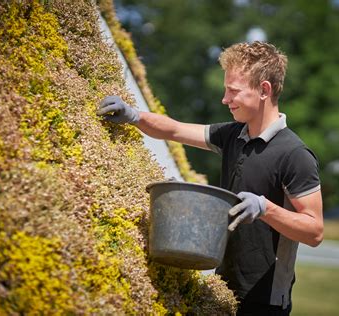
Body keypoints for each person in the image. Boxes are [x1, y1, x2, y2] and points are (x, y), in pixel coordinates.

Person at [97, 41, 323, 316]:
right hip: (221, 289)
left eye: (233, 91)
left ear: (264, 90)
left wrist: (265, 208)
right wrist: (134, 115)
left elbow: (314, 231)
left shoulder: (295, 154)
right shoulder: (233, 135)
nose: (225, 99)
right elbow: (176, 130)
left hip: (265, 303)